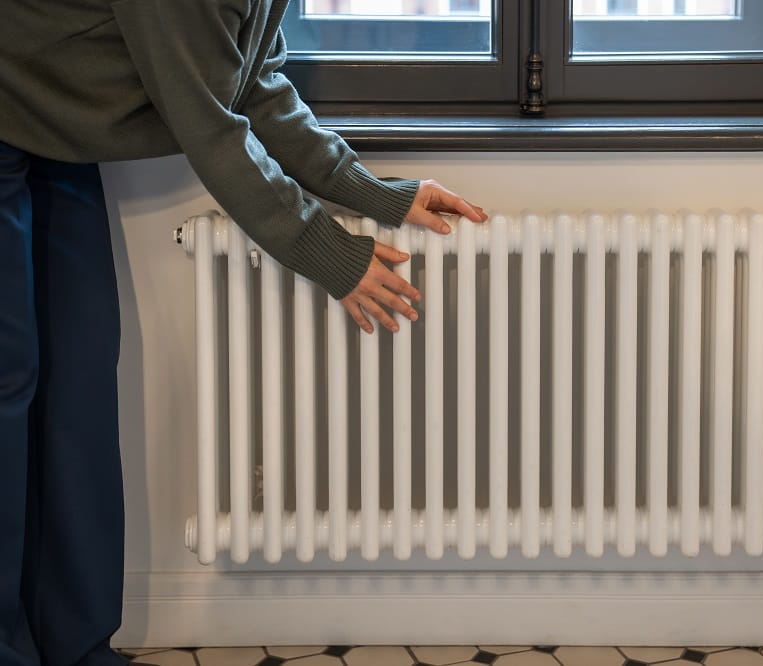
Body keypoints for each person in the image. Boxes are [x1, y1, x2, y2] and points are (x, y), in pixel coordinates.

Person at [0, 0, 487, 663]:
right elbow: (212, 127)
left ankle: (75, 647)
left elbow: (253, 82)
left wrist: (377, 193)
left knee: (76, 379)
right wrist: (332, 256)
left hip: (53, 118)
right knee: (9, 379)